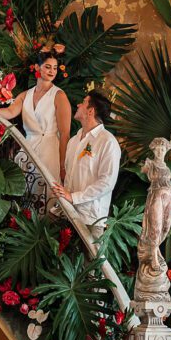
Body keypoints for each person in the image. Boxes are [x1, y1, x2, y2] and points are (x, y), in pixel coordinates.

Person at [0, 49, 71, 211]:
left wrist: (63, 166)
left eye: (55, 68)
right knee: (23, 194)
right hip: (28, 146)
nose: (52, 71)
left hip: (50, 151)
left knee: (44, 197)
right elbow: (9, 112)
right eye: (48, 67)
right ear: (37, 67)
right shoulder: (25, 95)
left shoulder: (59, 95)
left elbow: (65, 134)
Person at [51, 90, 121, 235]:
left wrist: (74, 197)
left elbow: (107, 182)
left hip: (90, 218)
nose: (78, 104)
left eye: (83, 102)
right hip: (66, 213)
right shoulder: (74, 140)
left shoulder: (108, 142)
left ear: (90, 111)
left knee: (91, 258)